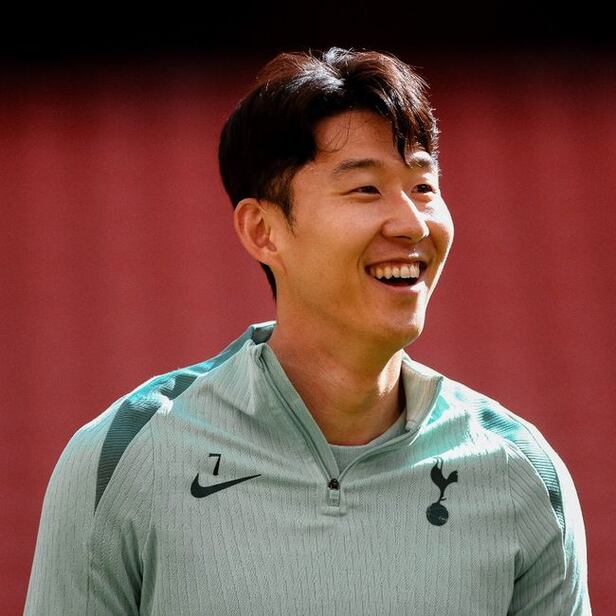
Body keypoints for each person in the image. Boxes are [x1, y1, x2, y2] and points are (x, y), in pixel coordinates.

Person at [25, 47, 591, 615]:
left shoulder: (522, 474)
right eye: (365, 189)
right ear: (263, 231)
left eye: (423, 187)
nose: (412, 224)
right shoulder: (125, 458)